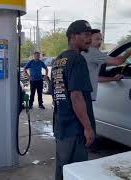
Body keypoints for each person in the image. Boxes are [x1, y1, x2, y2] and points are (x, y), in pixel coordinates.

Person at [51, 20, 97, 180]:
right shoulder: (77, 60)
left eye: (90, 35)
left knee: (62, 169)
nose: (89, 39)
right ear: (73, 37)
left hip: (61, 125)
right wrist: (87, 127)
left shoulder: (58, 60)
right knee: (76, 172)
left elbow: (56, 93)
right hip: (75, 128)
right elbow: (76, 96)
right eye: (85, 35)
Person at [82, 30, 131, 100]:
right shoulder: (92, 51)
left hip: (84, 96)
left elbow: (95, 77)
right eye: (97, 39)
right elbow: (117, 61)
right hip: (85, 97)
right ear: (89, 39)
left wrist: (114, 78)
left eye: (101, 39)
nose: (100, 42)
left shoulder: (85, 52)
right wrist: (128, 53)